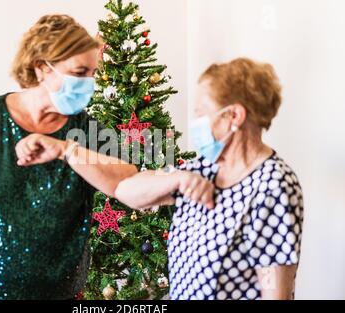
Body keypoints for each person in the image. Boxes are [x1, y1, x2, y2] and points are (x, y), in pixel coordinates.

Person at [0, 14, 137, 300]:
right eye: (80, 72)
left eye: (93, 74)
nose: (89, 83)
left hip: (57, 290)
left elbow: (127, 179)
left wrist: (68, 151)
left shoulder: (85, 131)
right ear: (42, 68)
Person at [115, 58, 304, 300]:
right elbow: (127, 191)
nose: (196, 123)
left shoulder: (273, 186)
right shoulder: (204, 167)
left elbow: (275, 295)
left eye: (201, 113)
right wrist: (178, 179)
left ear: (234, 115)